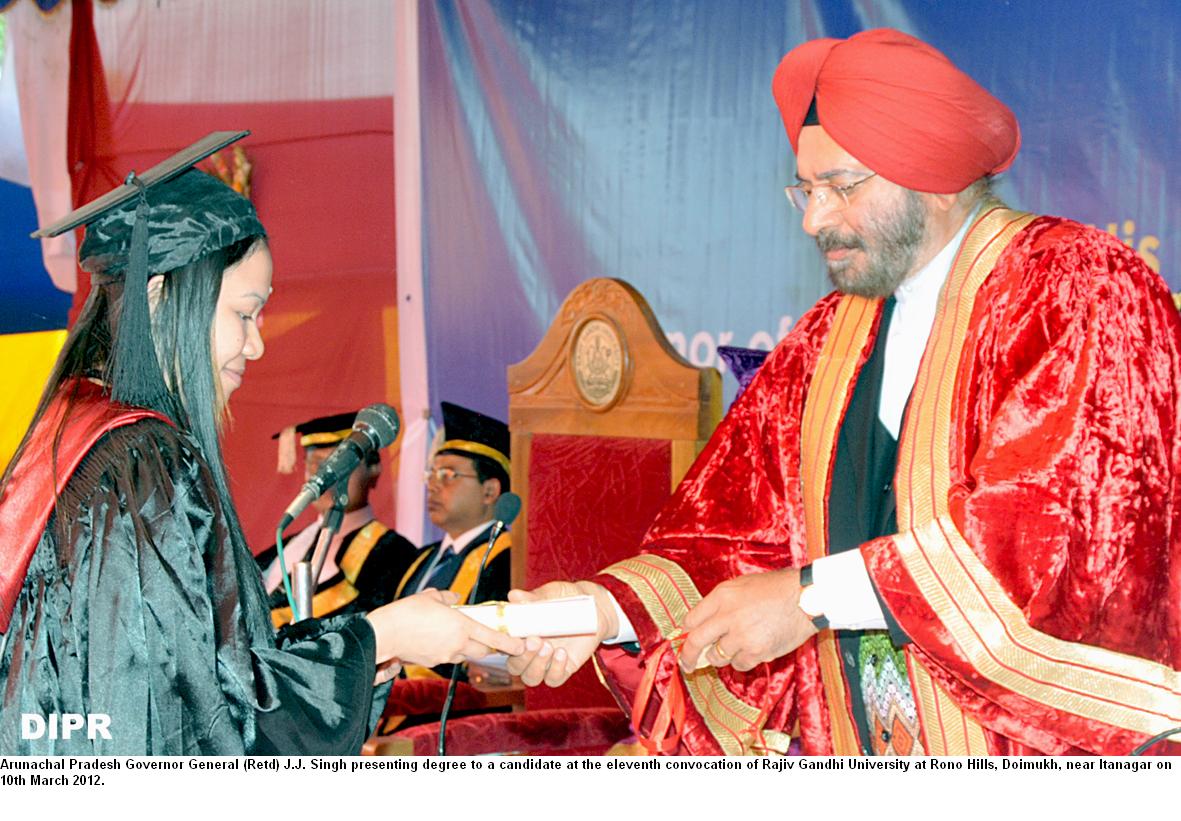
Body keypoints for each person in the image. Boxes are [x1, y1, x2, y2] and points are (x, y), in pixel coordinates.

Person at [505, 29, 1181, 756]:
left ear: (934, 172)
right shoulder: (831, 334)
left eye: (841, 186)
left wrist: (807, 598)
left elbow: (1044, 541)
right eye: (805, 187)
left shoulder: (1078, 287)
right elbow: (731, 533)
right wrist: (597, 610)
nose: (812, 218)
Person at [0, 134, 522, 755]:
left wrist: (377, 639)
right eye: (244, 314)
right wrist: (379, 639)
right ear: (160, 297)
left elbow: (205, 670)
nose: (256, 345)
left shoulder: (74, 429)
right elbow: (193, 724)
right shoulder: (141, 465)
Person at [257, 411, 417, 627]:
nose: (323, 475)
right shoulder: (286, 546)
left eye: (337, 464)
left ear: (374, 470)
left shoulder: (396, 555)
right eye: (313, 463)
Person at [395, 401, 512, 607]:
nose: (432, 486)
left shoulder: (508, 563)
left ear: (490, 491)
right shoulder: (421, 559)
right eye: (431, 474)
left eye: (447, 475)